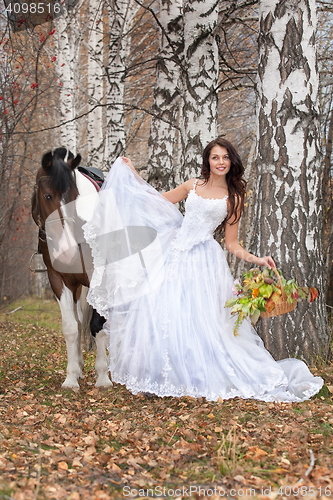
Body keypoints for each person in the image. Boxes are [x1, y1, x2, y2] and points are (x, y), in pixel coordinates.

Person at [83, 137, 323, 402]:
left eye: (225, 157)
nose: (220, 162)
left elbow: (232, 244)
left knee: (202, 320)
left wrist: (257, 259)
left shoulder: (234, 198)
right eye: (215, 157)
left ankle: (197, 374)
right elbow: (156, 202)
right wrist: (133, 175)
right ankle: (161, 374)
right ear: (208, 161)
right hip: (173, 251)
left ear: (232, 162)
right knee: (164, 313)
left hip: (204, 262)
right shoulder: (192, 186)